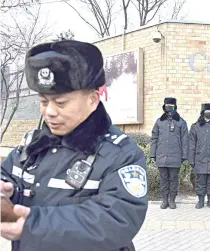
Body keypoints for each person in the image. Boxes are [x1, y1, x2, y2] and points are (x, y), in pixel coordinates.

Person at [0, 40, 148, 251]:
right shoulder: (32, 145)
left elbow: (117, 220)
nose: (49, 111)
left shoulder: (120, 154)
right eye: (43, 101)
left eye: (60, 103)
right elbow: (8, 176)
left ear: (93, 100)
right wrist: (5, 191)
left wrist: (34, 223)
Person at [150, 97, 189, 209]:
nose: (169, 108)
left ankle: (172, 200)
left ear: (175, 107)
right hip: (161, 157)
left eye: (171, 106)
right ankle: (164, 200)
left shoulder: (181, 122)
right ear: (164, 106)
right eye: (167, 105)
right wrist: (153, 154)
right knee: (163, 179)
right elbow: (154, 138)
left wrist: (184, 156)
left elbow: (185, 140)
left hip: (175, 157)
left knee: (173, 180)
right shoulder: (159, 122)